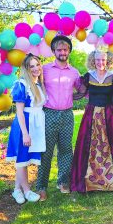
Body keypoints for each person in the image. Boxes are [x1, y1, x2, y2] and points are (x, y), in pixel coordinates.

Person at [71, 50, 113, 192]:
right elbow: (81, 94)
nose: (100, 63)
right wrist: (63, 95)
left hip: (108, 115)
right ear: (93, 60)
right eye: (98, 60)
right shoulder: (88, 76)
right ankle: (90, 180)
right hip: (91, 115)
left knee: (110, 145)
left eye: (103, 60)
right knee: (89, 145)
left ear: (108, 61)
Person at [36, 35, 81, 201]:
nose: (62, 52)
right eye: (59, 49)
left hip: (67, 115)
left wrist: (72, 97)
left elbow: (81, 89)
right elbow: (34, 85)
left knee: (66, 150)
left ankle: (63, 182)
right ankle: (41, 187)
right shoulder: (45, 69)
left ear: (69, 51)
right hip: (49, 114)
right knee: (46, 151)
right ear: (54, 51)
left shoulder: (75, 72)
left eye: (65, 49)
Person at [6, 53, 46, 204]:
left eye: (37, 65)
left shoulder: (37, 84)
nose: (36, 68)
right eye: (32, 66)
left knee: (24, 159)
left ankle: (17, 190)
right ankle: (27, 191)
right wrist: (25, 133)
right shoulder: (21, 84)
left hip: (36, 123)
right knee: (22, 158)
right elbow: (19, 111)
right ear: (26, 69)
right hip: (25, 124)